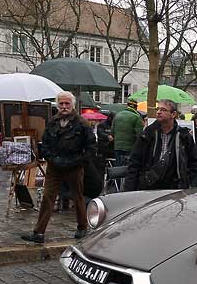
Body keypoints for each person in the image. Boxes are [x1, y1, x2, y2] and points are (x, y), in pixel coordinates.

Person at [21, 91, 95, 244]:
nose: (64, 106)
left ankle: (82, 227)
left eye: (67, 103)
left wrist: (79, 161)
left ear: (72, 104)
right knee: (48, 197)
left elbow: (91, 147)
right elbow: (45, 143)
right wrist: (51, 158)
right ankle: (39, 232)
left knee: (78, 197)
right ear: (57, 104)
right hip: (55, 166)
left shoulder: (82, 123)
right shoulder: (52, 122)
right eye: (61, 103)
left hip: (74, 165)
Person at [123, 99, 197, 191]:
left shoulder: (184, 136)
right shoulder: (147, 134)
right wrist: (130, 188)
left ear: (173, 114)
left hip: (174, 189)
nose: (158, 112)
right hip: (149, 187)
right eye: (157, 109)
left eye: (163, 110)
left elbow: (193, 162)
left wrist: (187, 183)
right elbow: (135, 161)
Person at [112, 99, 144, 166]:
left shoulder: (117, 115)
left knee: (118, 165)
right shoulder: (137, 117)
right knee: (128, 166)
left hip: (117, 146)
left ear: (127, 106)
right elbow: (139, 134)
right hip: (130, 147)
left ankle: (117, 176)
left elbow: (112, 131)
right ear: (135, 107)